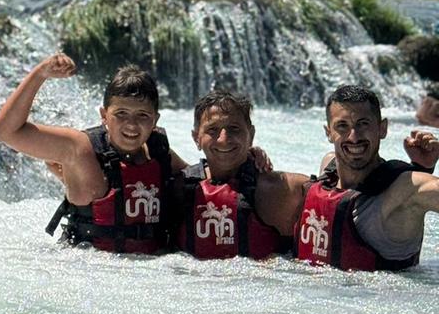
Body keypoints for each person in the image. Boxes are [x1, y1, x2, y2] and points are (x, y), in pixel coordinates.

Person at [0, 56, 185, 253]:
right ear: (104, 115)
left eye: (142, 115)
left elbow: (201, 181)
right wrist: (40, 74)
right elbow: (6, 132)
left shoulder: (159, 153)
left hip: (155, 272)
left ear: (155, 120)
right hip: (88, 271)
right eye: (121, 113)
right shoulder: (79, 150)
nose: (131, 125)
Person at [294, 83, 439, 271]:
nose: (354, 137)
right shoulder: (328, 169)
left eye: (363, 124)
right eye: (342, 126)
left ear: (382, 129)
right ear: (329, 132)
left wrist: (420, 171)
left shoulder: (408, 190)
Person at [172, 90, 308, 260]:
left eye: (234, 129)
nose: (224, 139)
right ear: (196, 137)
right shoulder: (179, 187)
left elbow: (332, 192)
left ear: (251, 135)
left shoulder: (278, 190)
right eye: (212, 130)